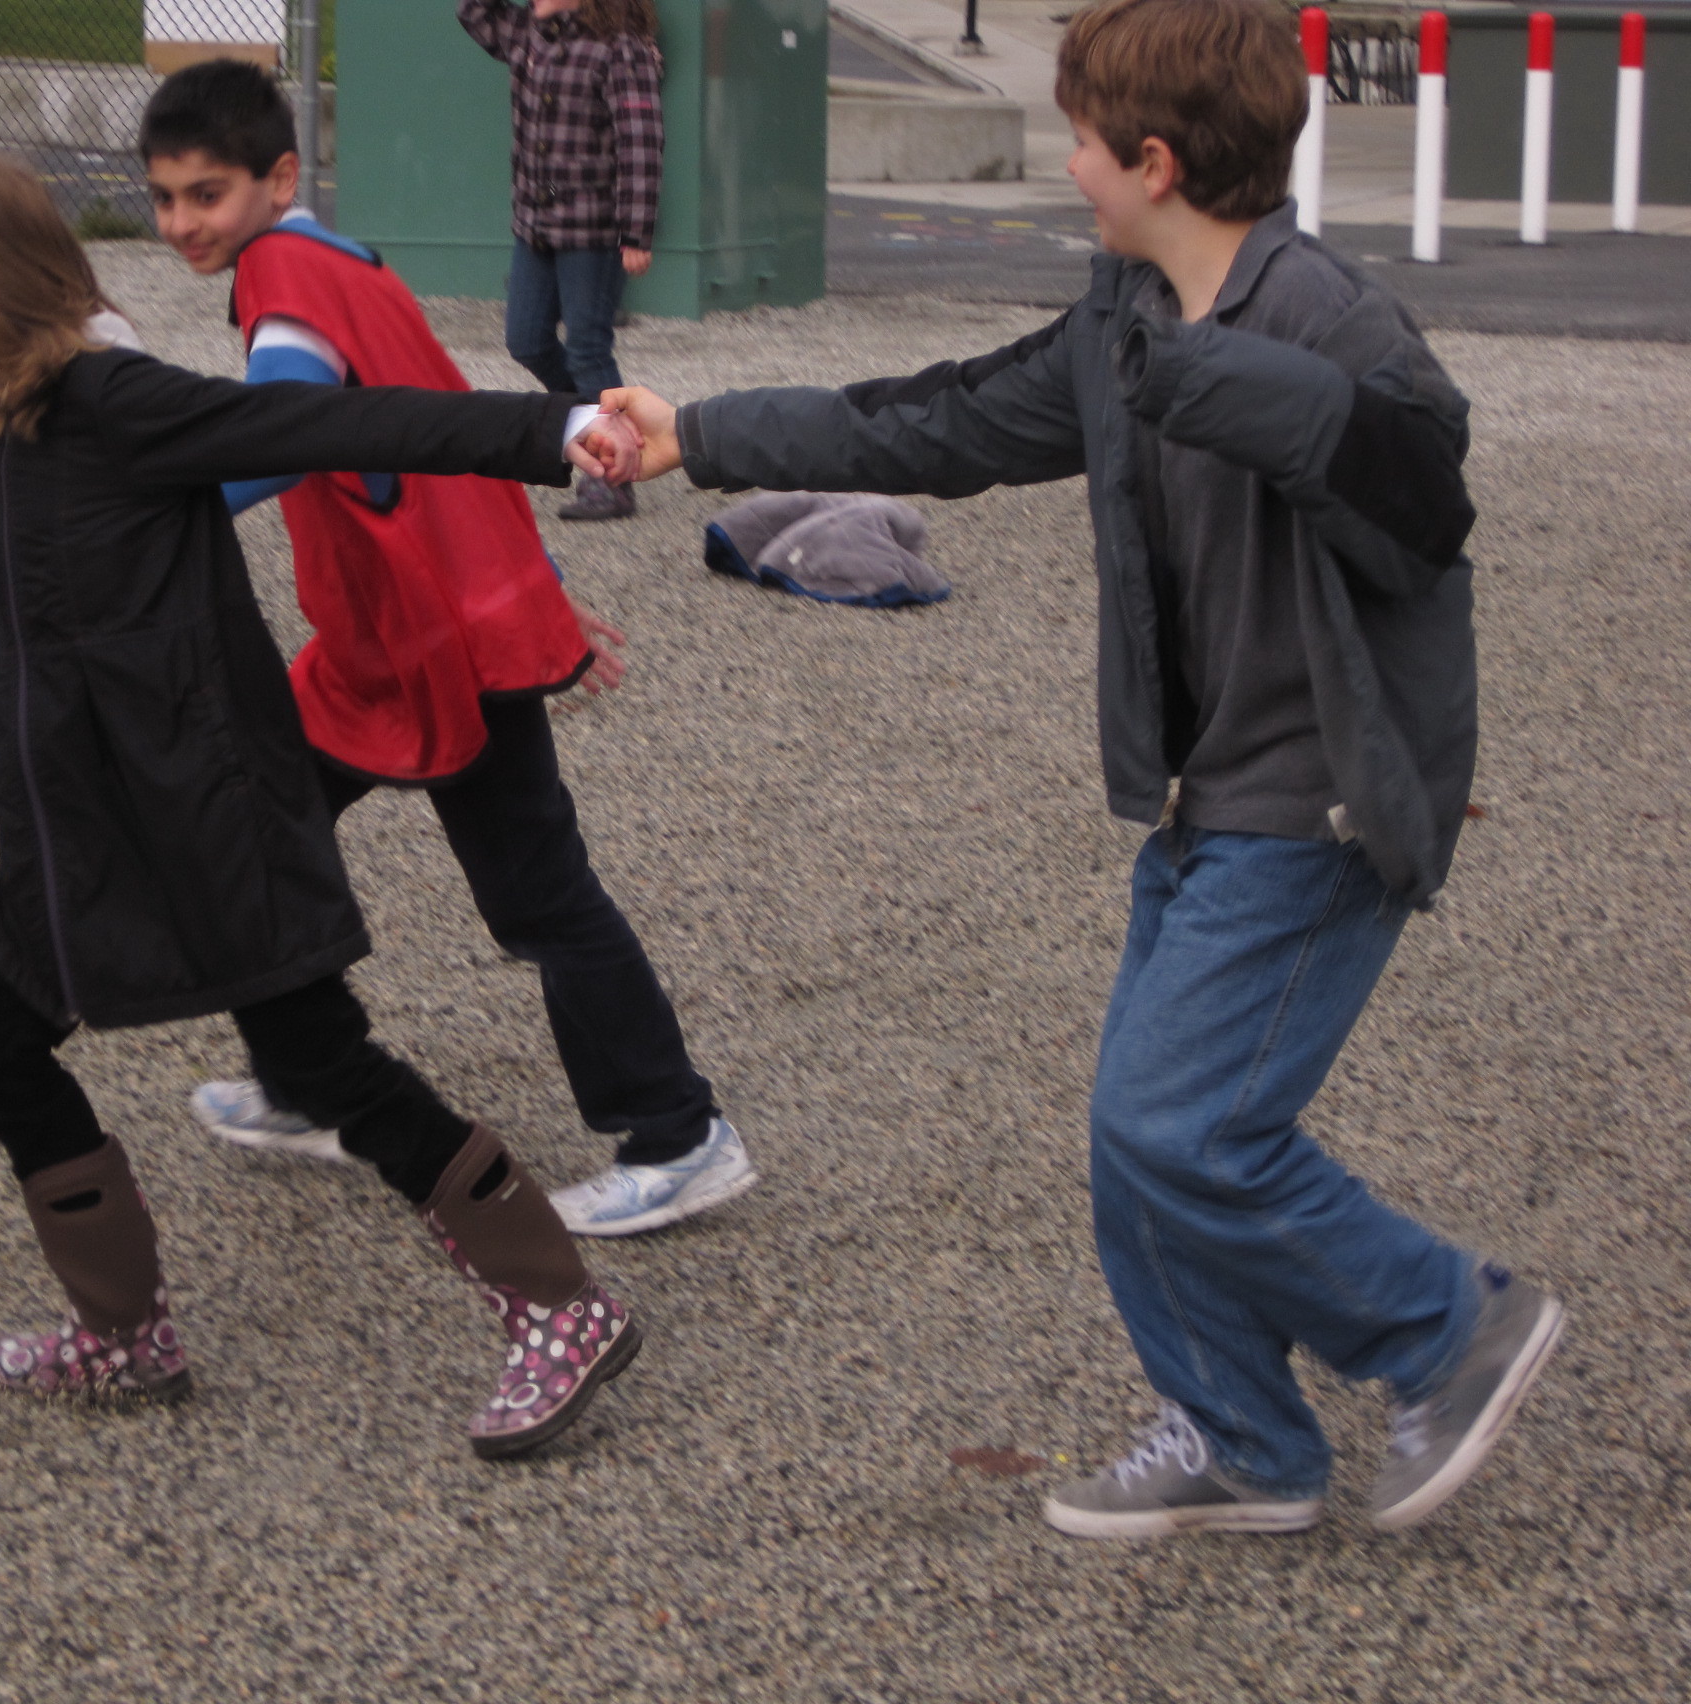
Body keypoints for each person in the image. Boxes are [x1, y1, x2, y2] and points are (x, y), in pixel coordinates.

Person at [600, 0, 1563, 1537]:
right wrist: (699, 432)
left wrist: (1223, 384)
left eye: (1082, 142)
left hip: (1318, 806)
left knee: (1188, 1129)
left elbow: (1424, 506)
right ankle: (1245, 1441)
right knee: (1137, 1137)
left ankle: (1451, 1329)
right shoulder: (1126, 319)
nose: (1070, 165)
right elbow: (936, 424)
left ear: (1155, 162)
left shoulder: (1328, 319)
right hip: (1203, 793)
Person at [0, 147, 645, 1458]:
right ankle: (125, 1340)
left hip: (202, 827)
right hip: (78, 840)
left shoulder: (117, 405)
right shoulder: (6, 413)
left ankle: (564, 1307)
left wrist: (551, 426)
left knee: (326, 1067)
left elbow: (348, 422)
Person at [137, 60, 756, 1240]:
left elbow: (284, 424)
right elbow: (442, 425)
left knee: (536, 898)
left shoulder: (281, 277)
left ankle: (677, 1136)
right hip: (392, 639)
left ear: (279, 178)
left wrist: (151, 515)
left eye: (204, 195)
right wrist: (533, 589)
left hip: (431, 646)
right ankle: (306, 1079)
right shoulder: (342, 262)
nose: (179, 223)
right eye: (163, 198)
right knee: (256, 828)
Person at [460, 0, 663, 521]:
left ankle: (613, 480)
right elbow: (475, 12)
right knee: (525, 339)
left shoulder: (621, 49)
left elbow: (640, 142)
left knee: (588, 350)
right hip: (537, 227)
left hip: (593, 231)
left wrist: (636, 231)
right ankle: (601, 427)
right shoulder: (529, 33)